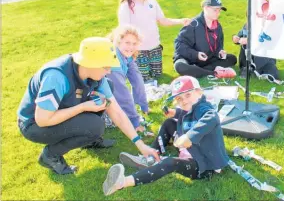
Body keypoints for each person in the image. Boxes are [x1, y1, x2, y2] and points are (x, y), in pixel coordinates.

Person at [17, 37, 159, 175]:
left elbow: (115, 111)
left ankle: (89, 140)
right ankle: (50, 155)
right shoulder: (56, 76)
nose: (109, 71)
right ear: (90, 63)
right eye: (106, 66)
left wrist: (140, 144)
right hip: (34, 125)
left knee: (107, 89)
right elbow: (43, 119)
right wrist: (83, 107)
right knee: (94, 126)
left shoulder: (96, 76)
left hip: (58, 112)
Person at [102, 75, 229, 196]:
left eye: (188, 95)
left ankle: (122, 182)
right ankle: (152, 155)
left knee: (170, 163)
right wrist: (176, 112)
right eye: (179, 98)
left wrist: (190, 136)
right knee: (169, 123)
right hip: (191, 149)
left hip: (204, 166)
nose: (184, 101)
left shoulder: (203, 108)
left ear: (199, 92)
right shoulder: (193, 106)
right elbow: (188, 113)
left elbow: (211, 117)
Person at [118, 0, 191, 82]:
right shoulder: (126, 6)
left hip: (154, 46)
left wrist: (180, 21)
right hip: (139, 50)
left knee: (158, 74)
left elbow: (162, 20)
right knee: (144, 78)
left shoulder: (152, 1)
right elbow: (125, 31)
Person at [173, 0, 237, 78]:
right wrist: (196, 54)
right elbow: (179, 45)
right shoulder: (193, 24)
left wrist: (220, 52)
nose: (218, 13)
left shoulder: (218, 26)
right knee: (180, 66)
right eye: (215, 10)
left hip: (207, 59)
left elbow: (219, 46)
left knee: (232, 59)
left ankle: (199, 71)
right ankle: (212, 73)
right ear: (206, 8)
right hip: (189, 59)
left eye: (219, 10)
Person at [106, 25, 150, 133]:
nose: (131, 47)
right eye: (127, 43)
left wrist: (143, 105)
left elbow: (137, 79)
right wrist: (134, 120)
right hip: (91, 94)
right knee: (113, 116)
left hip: (109, 90)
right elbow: (122, 92)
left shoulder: (127, 54)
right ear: (118, 42)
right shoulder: (113, 60)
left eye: (134, 43)